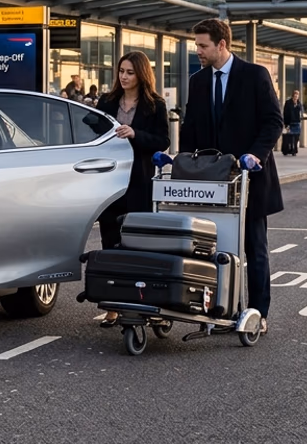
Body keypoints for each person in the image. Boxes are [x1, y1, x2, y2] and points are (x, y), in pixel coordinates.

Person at [179, 19, 283, 335]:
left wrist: (256, 154)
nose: (197, 50)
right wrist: (183, 165)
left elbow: (273, 121)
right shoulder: (198, 82)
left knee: (254, 247)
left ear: (222, 45)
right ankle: (220, 309)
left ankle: (258, 314)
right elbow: (190, 129)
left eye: (203, 45)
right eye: (196, 45)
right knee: (214, 247)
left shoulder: (254, 76)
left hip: (249, 180)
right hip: (211, 183)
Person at [94, 52, 170, 327]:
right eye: (121, 71)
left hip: (139, 182)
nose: (123, 77)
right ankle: (113, 306)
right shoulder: (107, 101)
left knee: (140, 245)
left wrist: (136, 134)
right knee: (110, 244)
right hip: (110, 182)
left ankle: (145, 303)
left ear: (141, 75)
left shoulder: (155, 105)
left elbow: (162, 141)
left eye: (129, 72)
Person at [281, 89, 303, 156]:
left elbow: (301, 111)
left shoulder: (299, 103)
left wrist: (296, 105)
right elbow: (285, 113)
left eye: (297, 95)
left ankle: (295, 149)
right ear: (293, 95)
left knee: (296, 137)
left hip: (297, 122)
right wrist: (286, 123)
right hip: (290, 122)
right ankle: (290, 149)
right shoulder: (288, 103)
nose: (296, 96)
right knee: (290, 137)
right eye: (295, 95)